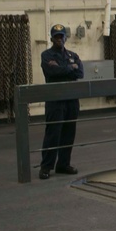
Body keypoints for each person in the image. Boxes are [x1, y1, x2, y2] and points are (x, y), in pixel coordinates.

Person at [39, 24, 84, 180]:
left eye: (61, 36)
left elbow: (80, 73)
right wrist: (69, 68)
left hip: (71, 100)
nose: (59, 39)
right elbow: (51, 71)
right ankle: (46, 166)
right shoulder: (46, 55)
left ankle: (63, 164)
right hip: (55, 101)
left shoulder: (72, 54)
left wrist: (64, 68)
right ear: (52, 38)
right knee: (53, 134)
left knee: (68, 133)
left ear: (65, 37)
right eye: (56, 36)